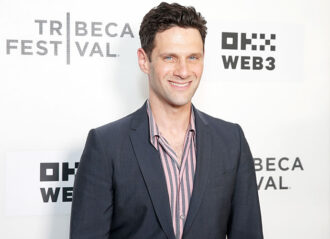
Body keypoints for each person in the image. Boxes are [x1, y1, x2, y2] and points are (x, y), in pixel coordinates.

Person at [70, 2, 263, 239]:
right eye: (170, 58)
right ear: (144, 61)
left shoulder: (232, 141)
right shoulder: (106, 146)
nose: (183, 71)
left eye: (193, 57)